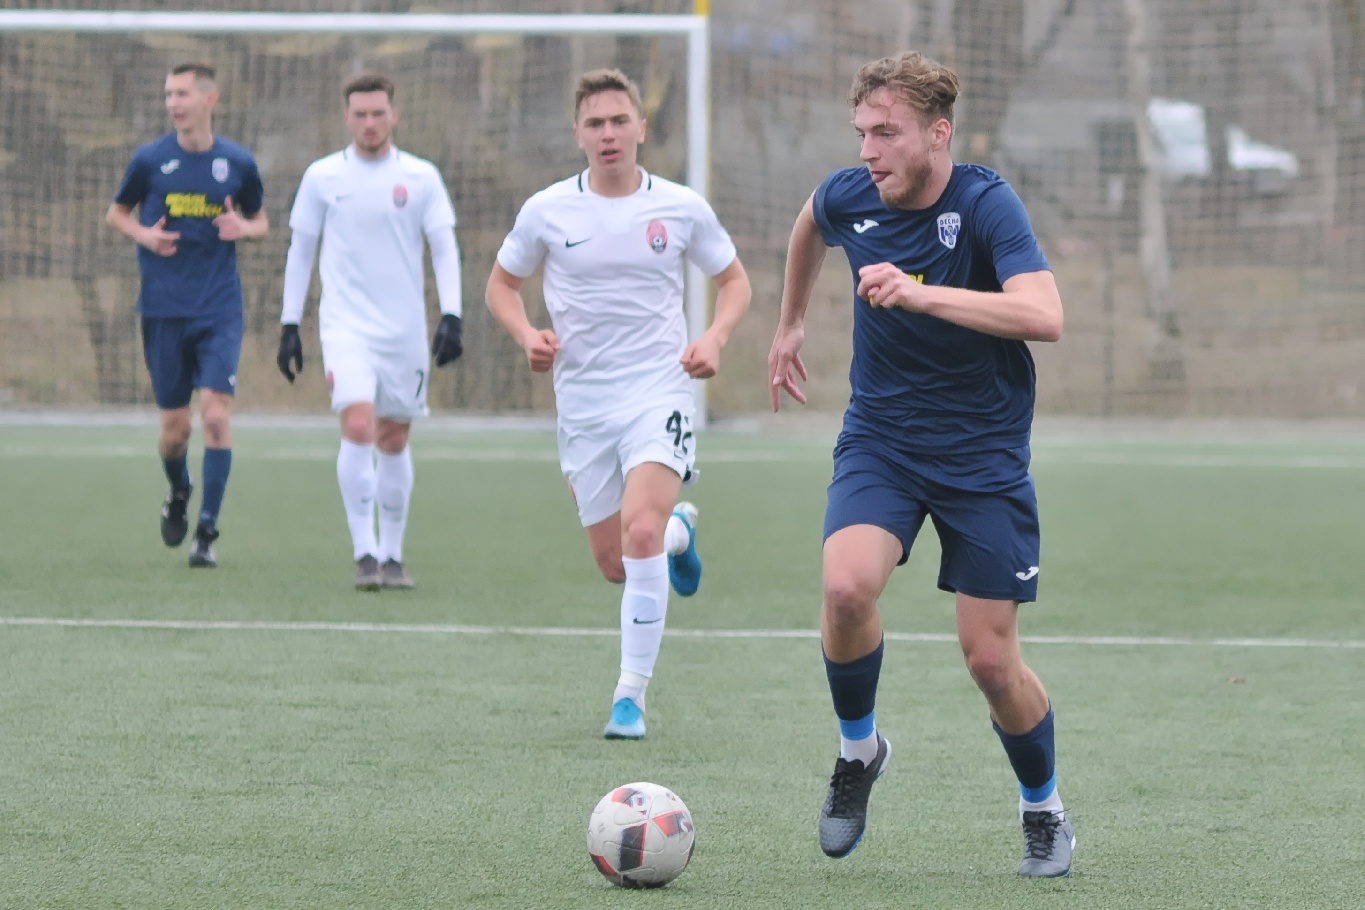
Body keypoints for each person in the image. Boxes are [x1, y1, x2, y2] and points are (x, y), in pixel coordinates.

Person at [766, 52, 1073, 876]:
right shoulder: (849, 194)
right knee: (844, 588)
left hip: (983, 456)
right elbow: (809, 223)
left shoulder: (983, 202)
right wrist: (789, 323)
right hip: (883, 441)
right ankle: (857, 751)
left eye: (886, 133)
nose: (868, 151)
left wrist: (919, 291)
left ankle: (1041, 808)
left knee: (990, 662)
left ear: (937, 134)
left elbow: (1044, 315)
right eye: (861, 132)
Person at [485, 68, 751, 740]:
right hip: (582, 403)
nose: (608, 134)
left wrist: (714, 338)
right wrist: (527, 335)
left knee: (639, 533)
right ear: (578, 134)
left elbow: (734, 281)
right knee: (616, 563)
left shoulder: (680, 207)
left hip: (658, 389)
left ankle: (628, 698)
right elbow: (500, 286)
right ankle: (680, 531)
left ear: (640, 128)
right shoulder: (547, 210)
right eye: (595, 123)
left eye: (618, 121)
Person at [277, 73, 464, 591]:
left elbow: (444, 246)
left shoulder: (421, 177)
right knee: (359, 425)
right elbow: (301, 250)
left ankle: (393, 556)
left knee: (393, 436)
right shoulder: (322, 177)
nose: (370, 122)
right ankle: (364, 552)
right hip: (346, 326)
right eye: (360, 114)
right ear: (346, 118)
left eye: (378, 113)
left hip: (404, 331)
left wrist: (452, 314)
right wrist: (290, 323)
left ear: (394, 115)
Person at [107, 62, 268, 569]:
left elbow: (261, 221)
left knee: (216, 417)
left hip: (219, 308)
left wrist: (244, 228)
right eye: (168, 94)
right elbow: (117, 213)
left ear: (208, 99)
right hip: (163, 310)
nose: (173, 103)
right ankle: (179, 491)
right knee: (176, 431)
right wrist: (145, 236)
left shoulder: (237, 162)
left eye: (181, 94)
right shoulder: (150, 160)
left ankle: (206, 531)